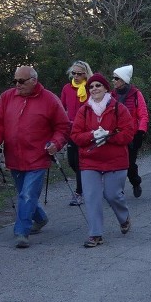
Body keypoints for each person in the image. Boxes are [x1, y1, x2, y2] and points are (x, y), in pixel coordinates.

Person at [0, 65, 70, 249]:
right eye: (15, 80)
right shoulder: (7, 97)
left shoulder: (49, 99)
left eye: (21, 81)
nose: (17, 84)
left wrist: (55, 144)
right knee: (24, 193)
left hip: (38, 157)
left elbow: (63, 127)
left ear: (34, 80)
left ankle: (21, 232)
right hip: (14, 157)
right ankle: (40, 218)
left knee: (27, 194)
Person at [70, 73, 134, 248]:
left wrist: (108, 136)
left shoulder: (118, 108)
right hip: (90, 161)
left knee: (112, 195)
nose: (94, 89)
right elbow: (75, 136)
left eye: (98, 85)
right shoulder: (84, 110)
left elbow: (128, 133)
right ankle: (95, 234)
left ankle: (124, 217)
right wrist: (92, 135)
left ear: (106, 88)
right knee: (92, 197)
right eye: (91, 87)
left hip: (115, 160)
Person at [111, 65, 148, 198]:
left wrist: (140, 132)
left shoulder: (136, 94)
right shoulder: (111, 95)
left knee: (129, 164)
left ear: (123, 80)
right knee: (115, 164)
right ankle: (116, 190)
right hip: (115, 135)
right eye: (113, 78)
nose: (113, 81)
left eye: (116, 78)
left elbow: (143, 114)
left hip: (132, 136)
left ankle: (135, 182)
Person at [59, 60, 92, 206]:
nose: (76, 76)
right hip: (71, 130)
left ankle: (79, 192)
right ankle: (89, 181)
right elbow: (61, 108)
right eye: (74, 73)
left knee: (80, 161)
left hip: (86, 130)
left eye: (80, 74)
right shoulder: (67, 88)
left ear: (86, 74)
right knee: (72, 161)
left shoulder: (91, 87)